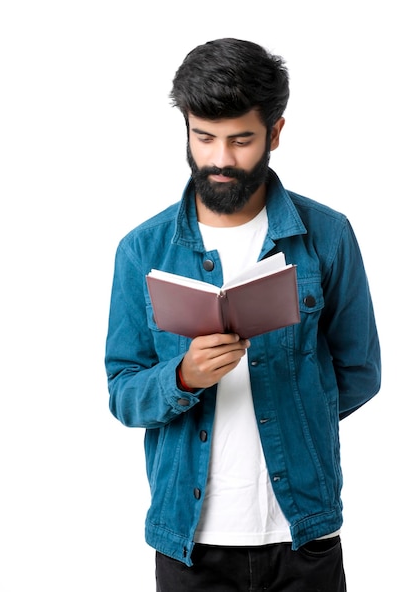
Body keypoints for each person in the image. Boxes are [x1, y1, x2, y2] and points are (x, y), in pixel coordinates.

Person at [105, 38, 381, 591]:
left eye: (241, 140)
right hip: (191, 542)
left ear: (275, 133)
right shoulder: (143, 249)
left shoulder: (327, 236)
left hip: (303, 534)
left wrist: (296, 408)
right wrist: (183, 378)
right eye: (204, 138)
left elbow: (359, 373)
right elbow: (123, 393)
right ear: (185, 129)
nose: (221, 159)